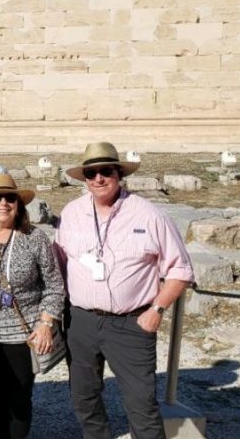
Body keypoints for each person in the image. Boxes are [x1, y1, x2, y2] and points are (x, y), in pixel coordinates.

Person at [55, 142, 194, 439]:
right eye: (91, 173)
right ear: (84, 178)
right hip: (81, 321)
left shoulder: (149, 215)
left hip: (132, 323)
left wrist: (157, 309)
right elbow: (58, 261)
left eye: (106, 171)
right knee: (83, 396)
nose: (98, 179)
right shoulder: (71, 213)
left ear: (119, 173)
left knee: (141, 404)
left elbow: (180, 270)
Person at [0, 174, 64, 439]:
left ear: (19, 204)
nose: (3, 203)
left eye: (10, 197)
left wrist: (46, 324)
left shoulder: (35, 238)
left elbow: (54, 286)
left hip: (23, 336)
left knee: (18, 403)